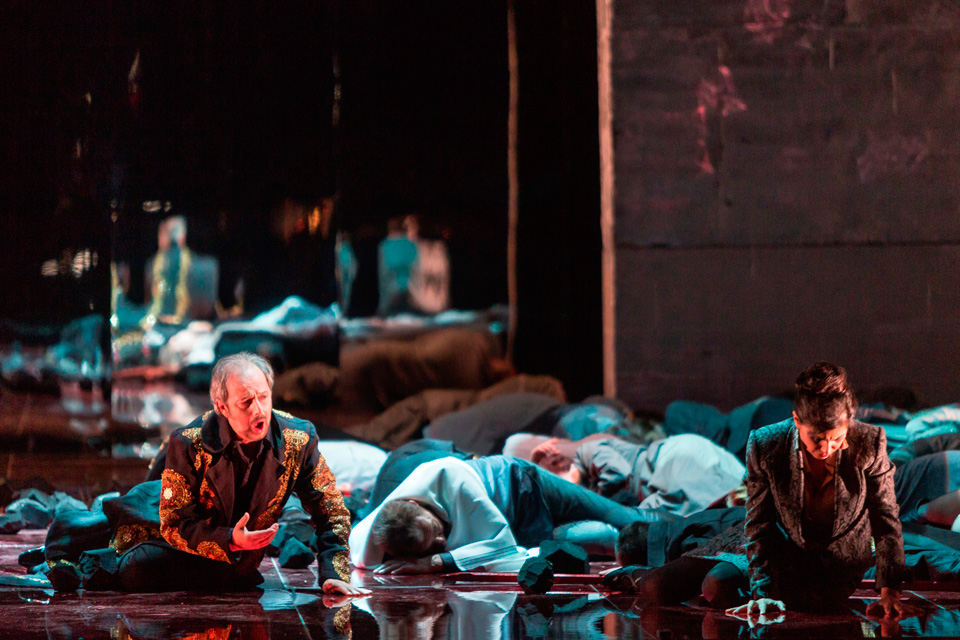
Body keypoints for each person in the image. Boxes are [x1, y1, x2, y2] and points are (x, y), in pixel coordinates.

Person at [43, 352, 370, 596]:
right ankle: (72, 536)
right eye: (246, 402)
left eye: (264, 397)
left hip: (232, 559)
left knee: (210, 576)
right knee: (134, 563)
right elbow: (174, 524)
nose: (259, 410)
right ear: (221, 406)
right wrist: (231, 539)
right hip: (174, 526)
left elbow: (331, 509)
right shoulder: (189, 442)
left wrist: (334, 573)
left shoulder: (299, 439)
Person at [730, 362, 908, 621]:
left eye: (836, 439)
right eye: (816, 438)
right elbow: (759, 523)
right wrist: (762, 592)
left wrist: (889, 591)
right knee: (707, 584)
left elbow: (886, 519)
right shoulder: (767, 443)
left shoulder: (868, 442)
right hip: (783, 556)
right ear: (796, 421)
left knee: (722, 587)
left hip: (838, 567)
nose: (826, 448)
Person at [349, 455, 670, 574]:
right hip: (525, 532)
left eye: (437, 529)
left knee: (622, 516)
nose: (443, 541)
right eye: (432, 545)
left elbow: (497, 543)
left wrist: (435, 561)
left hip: (526, 485)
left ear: (418, 504)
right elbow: (359, 555)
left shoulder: (450, 477)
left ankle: (684, 534)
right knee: (605, 539)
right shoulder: (371, 540)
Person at [530, 432, 746, 516]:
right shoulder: (585, 474)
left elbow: (617, 473)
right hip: (670, 466)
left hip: (670, 460)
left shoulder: (586, 452)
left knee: (649, 519)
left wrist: (595, 500)